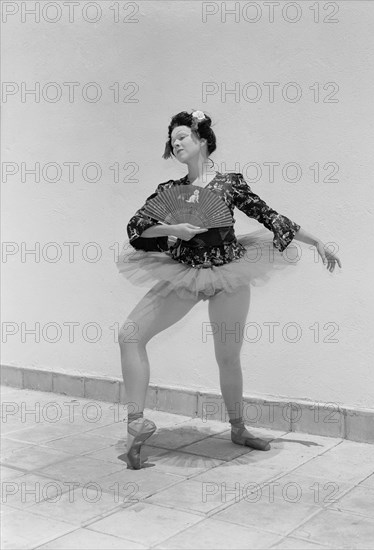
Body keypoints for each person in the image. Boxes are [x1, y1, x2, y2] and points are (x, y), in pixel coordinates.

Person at [117, 110, 342, 470]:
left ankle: (238, 428)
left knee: (227, 356)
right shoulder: (169, 192)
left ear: (202, 140)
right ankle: (136, 423)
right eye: (172, 140)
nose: (175, 144)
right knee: (129, 334)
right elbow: (137, 228)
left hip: (229, 274)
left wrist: (317, 242)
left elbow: (270, 216)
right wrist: (175, 231)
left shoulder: (228, 184)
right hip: (185, 274)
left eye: (182, 137)